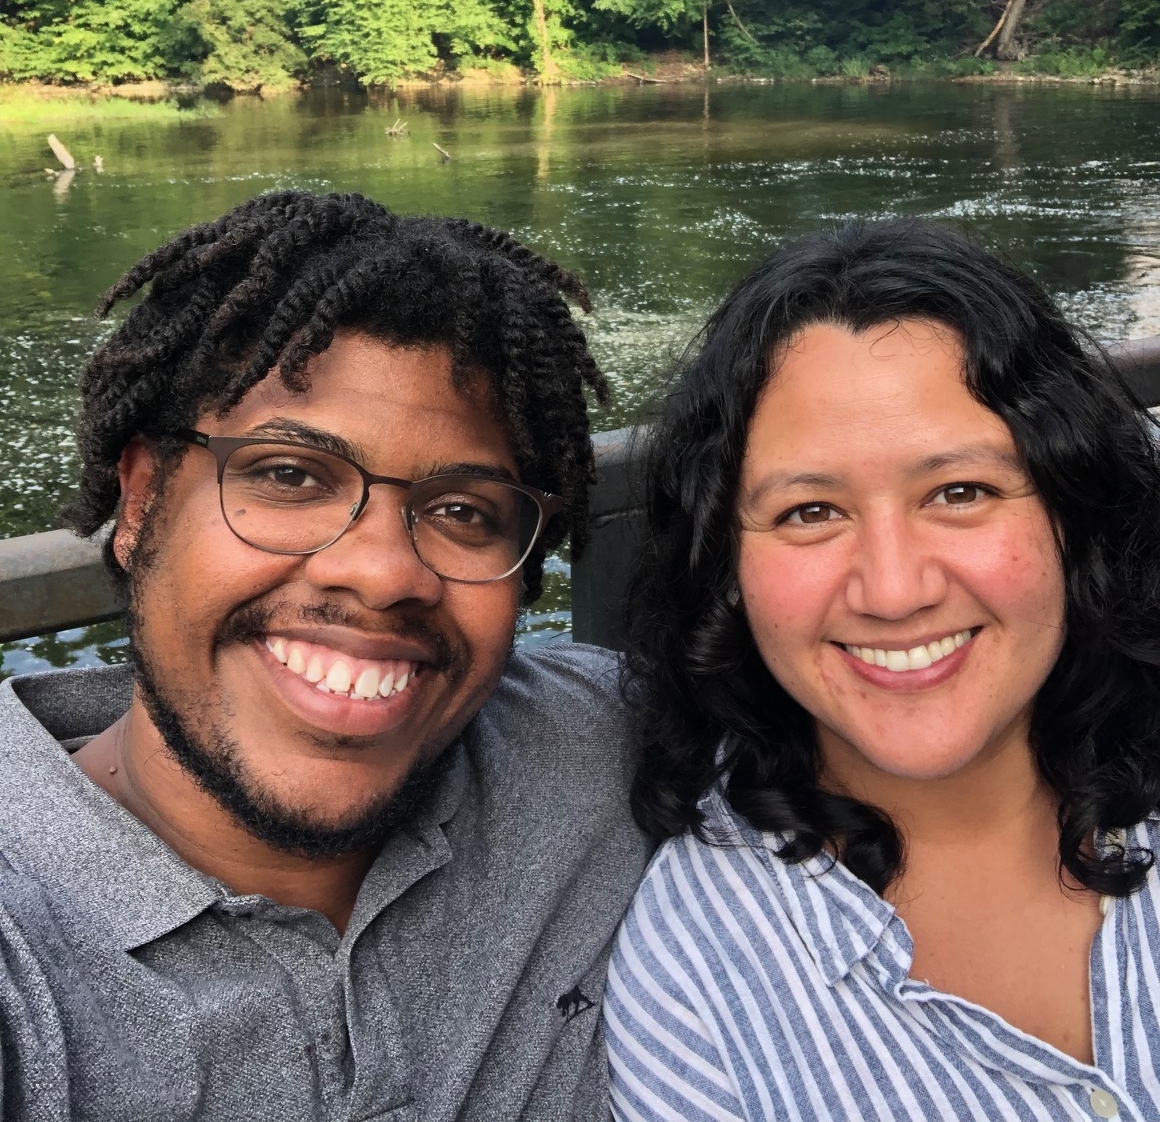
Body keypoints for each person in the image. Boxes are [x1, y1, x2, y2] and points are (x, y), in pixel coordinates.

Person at [0, 189, 651, 1122]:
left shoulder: (607, 744)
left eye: (464, 511)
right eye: (290, 476)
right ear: (141, 506)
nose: (384, 573)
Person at [604, 219, 1160, 1122]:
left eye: (960, 492)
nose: (895, 590)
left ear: (1069, 509)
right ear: (728, 571)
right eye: (810, 510)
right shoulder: (699, 989)